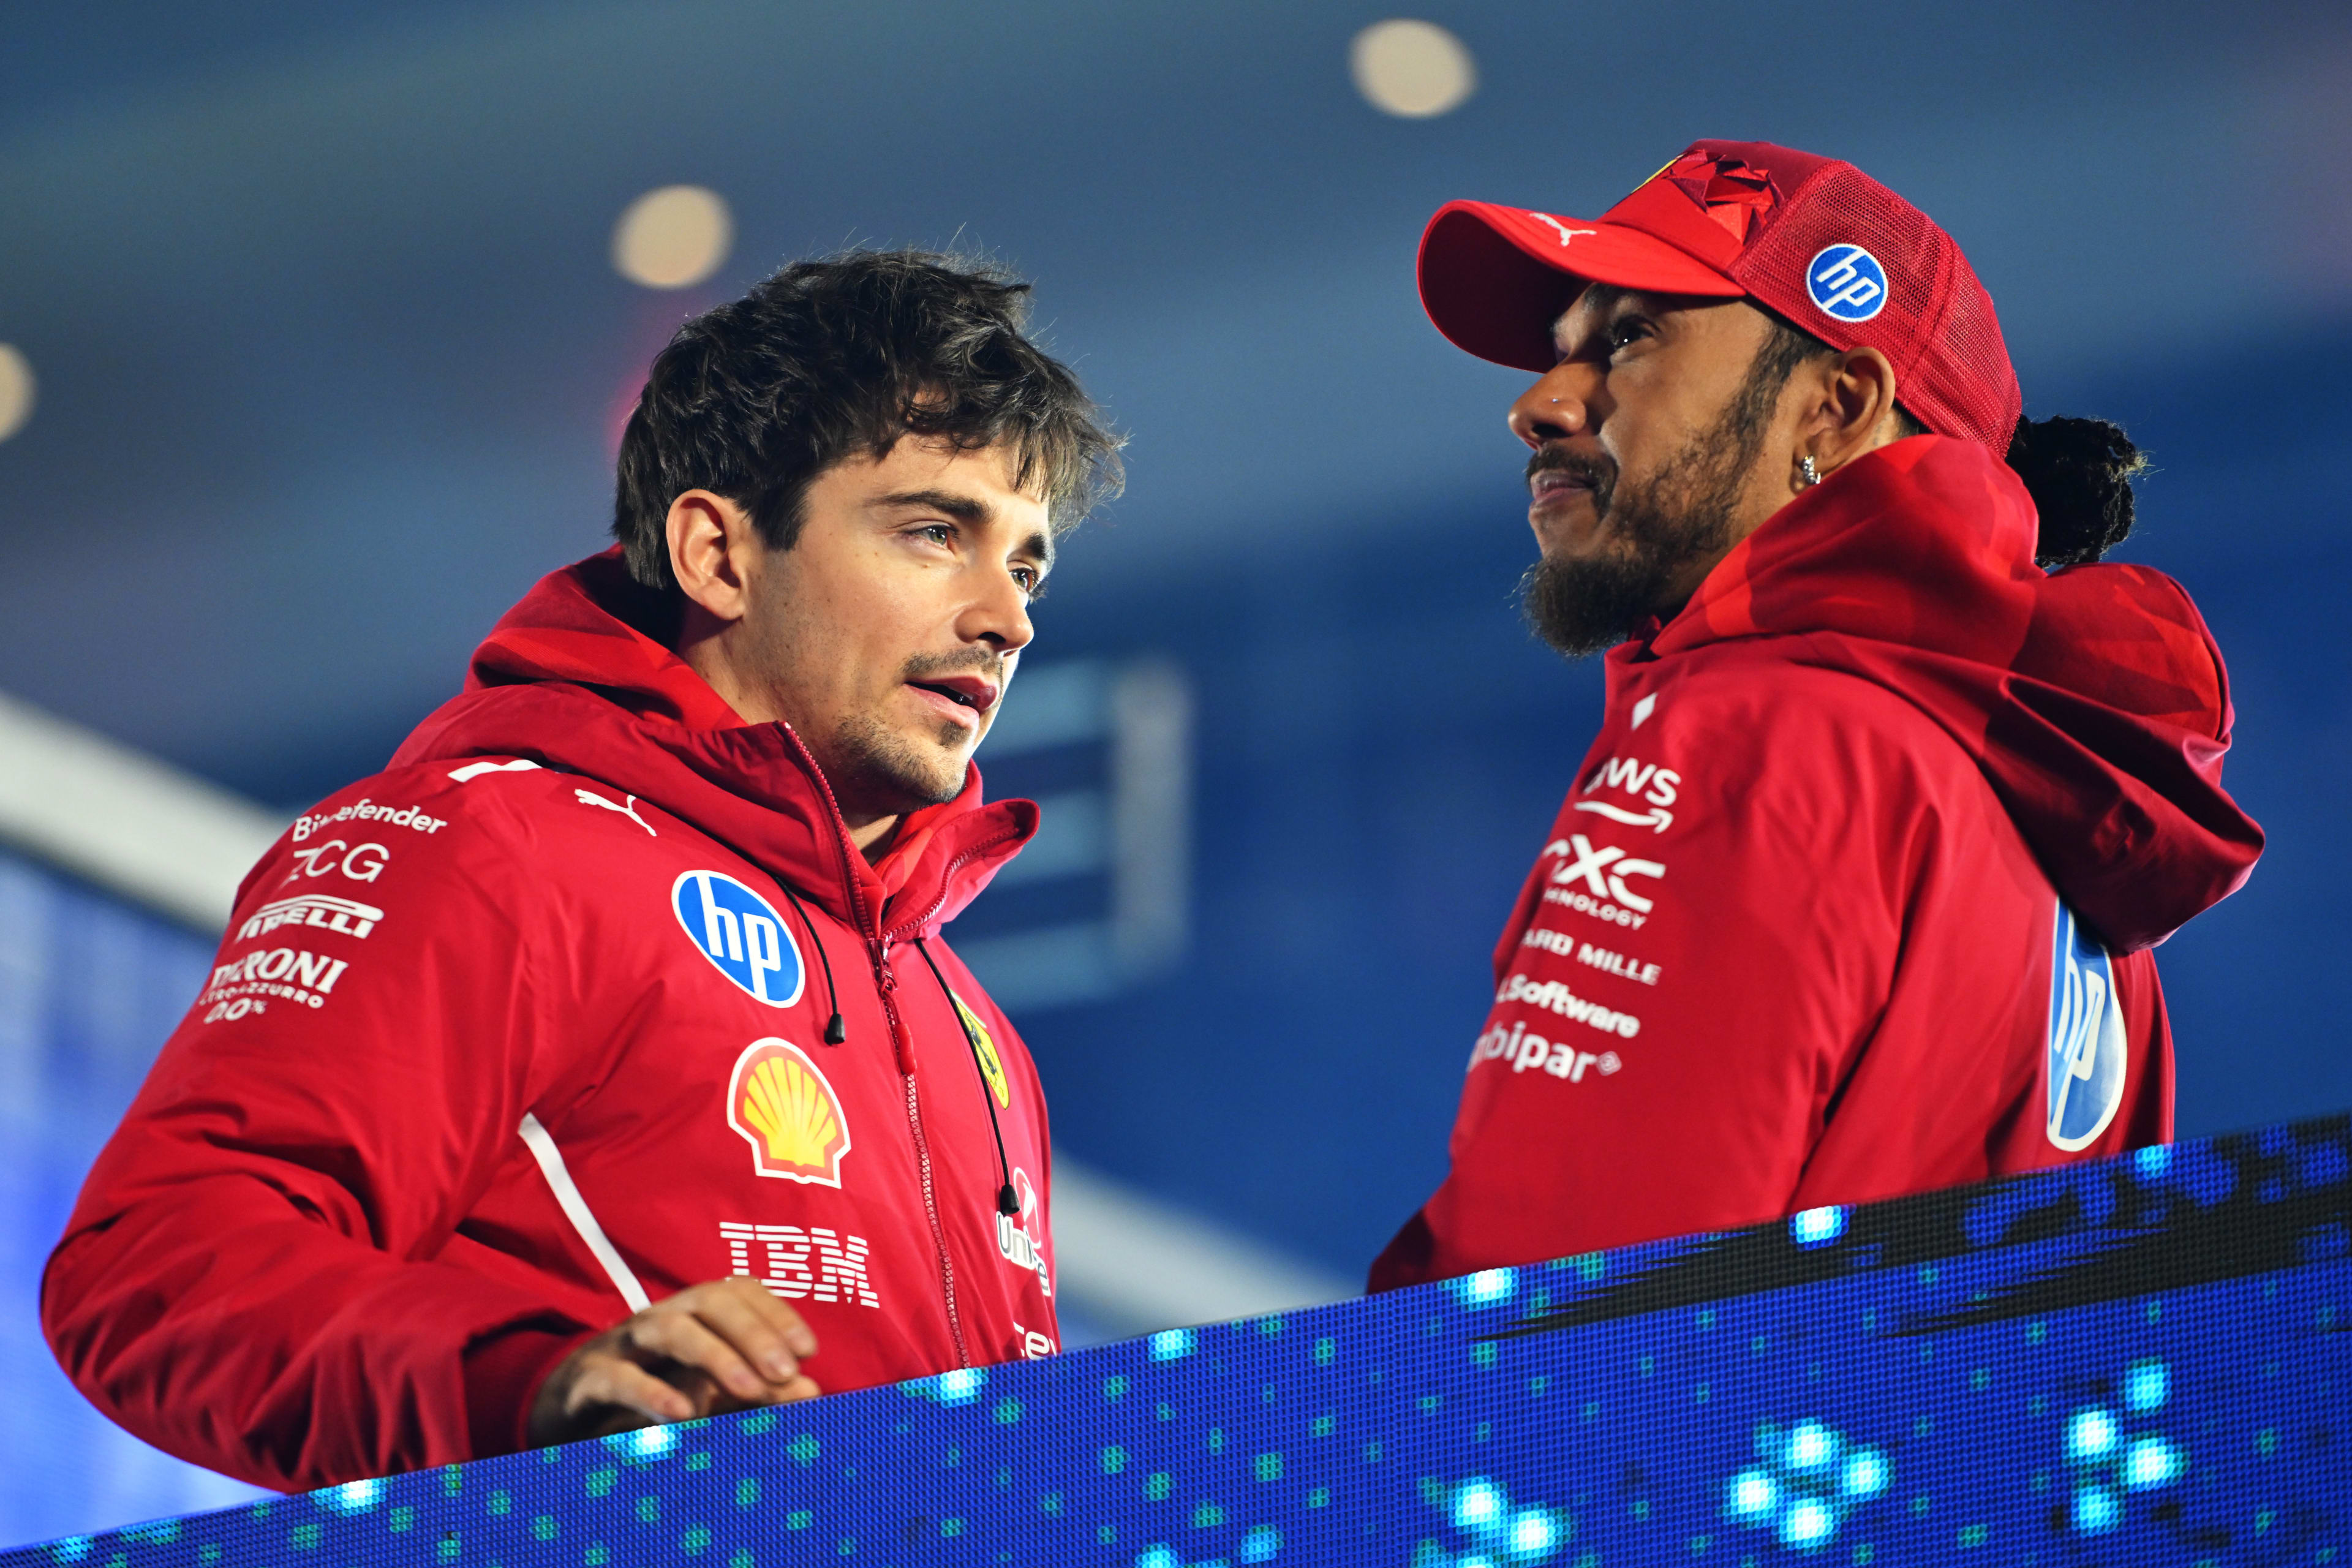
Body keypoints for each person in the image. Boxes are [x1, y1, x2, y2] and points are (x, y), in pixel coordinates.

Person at [43, 250, 1121, 1489]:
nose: (1009, 619)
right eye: (936, 531)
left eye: (1027, 562)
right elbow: (160, 1263)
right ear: (718, 553)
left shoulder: (970, 1022)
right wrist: (529, 1391)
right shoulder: (492, 846)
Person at [1371, 141, 2263, 1292]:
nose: (1539, 406)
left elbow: (1556, 1321)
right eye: (1561, 357)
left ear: (1835, 410)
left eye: (1631, 338)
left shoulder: (1758, 735)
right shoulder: (2062, 851)